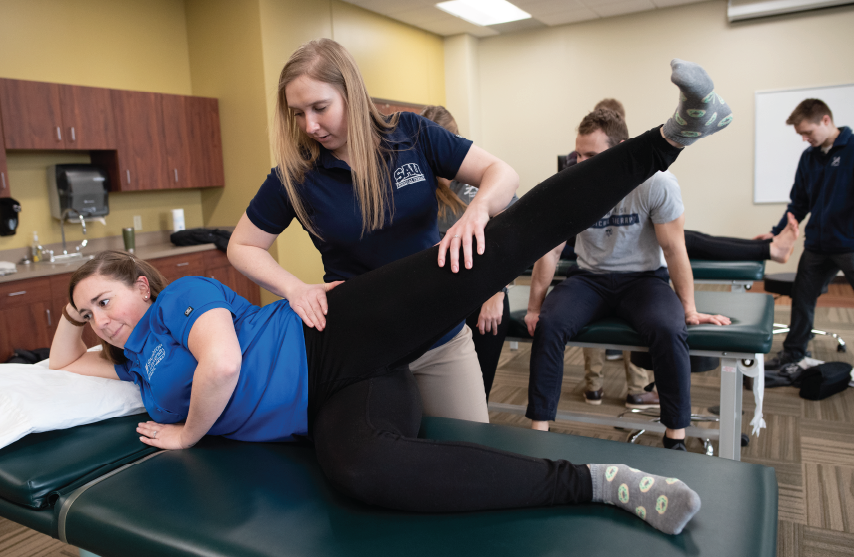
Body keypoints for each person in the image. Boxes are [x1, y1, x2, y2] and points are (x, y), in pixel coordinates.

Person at [47, 58, 733, 536]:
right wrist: (73, 311)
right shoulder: (134, 358)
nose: (102, 320)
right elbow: (60, 361)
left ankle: (672, 135)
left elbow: (223, 363)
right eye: (92, 313)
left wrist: (472, 213)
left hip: (343, 326)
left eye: (107, 299)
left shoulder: (181, 302)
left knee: (500, 240)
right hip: (336, 395)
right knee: (361, 471)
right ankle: (599, 481)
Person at [226, 39, 521, 424]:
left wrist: (477, 211)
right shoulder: (295, 177)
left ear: (351, 92)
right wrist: (294, 289)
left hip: (440, 336)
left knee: (471, 453)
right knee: (386, 466)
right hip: (362, 345)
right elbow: (242, 245)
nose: (310, 126)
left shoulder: (412, 134)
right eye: (297, 113)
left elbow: (503, 173)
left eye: (320, 108)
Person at [560, 101, 798, 408]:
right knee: (677, 242)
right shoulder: (577, 164)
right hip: (584, 244)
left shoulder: (630, 162)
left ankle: (636, 387)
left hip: (627, 250)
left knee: (684, 239)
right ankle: (595, 383)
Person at [525, 106, 732, 450]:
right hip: (588, 279)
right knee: (549, 324)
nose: (580, 162)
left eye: (591, 154)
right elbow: (550, 250)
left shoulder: (656, 183)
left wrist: (690, 308)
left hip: (643, 281)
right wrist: (534, 308)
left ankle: (675, 436)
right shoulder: (571, 184)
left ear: (621, 148)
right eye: (577, 153)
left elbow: (674, 249)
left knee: (670, 328)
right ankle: (538, 429)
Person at [420, 104, 518, 401]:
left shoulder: (480, 179)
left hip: (482, 291)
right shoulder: (416, 185)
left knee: (475, 388)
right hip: (432, 295)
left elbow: (513, 236)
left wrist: (496, 292)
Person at [757, 99, 854, 370]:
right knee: (802, 298)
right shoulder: (809, 157)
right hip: (818, 246)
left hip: (849, 245)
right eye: (800, 134)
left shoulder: (852, 149)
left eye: (808, 132)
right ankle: (793, 354)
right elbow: (798, 203)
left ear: (826, 120)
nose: (804, 138)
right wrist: (775, 234)